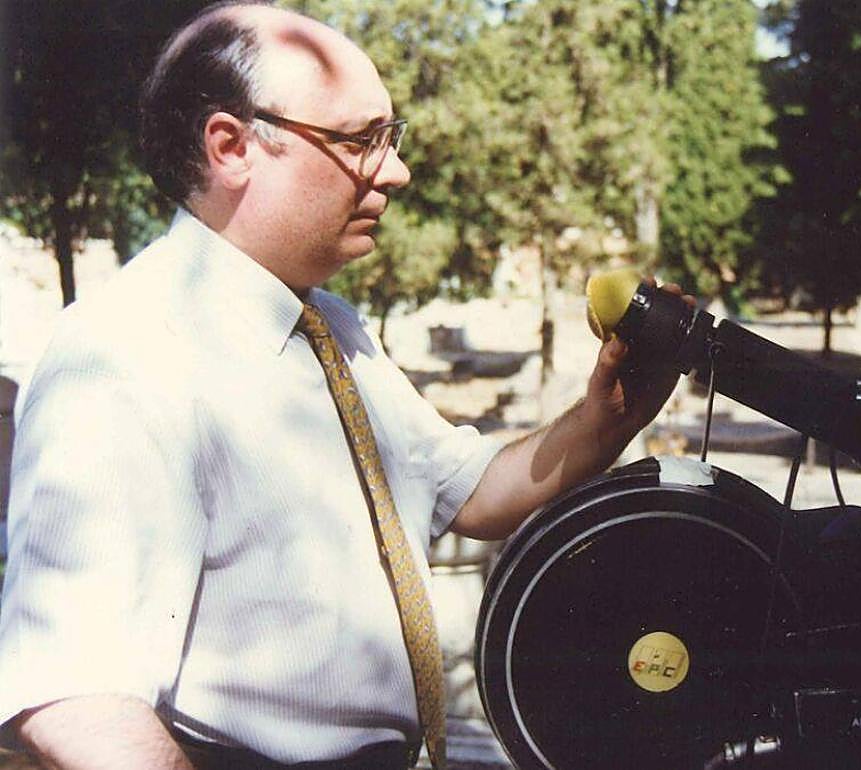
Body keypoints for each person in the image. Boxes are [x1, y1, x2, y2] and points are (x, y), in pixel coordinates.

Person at [0, 2, 686, 768]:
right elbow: (74, 701)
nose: (397, 170)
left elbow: (469, 494)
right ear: (232, 147)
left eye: (390, 139)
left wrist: (609, 416)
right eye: (361, 141)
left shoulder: (330, 326)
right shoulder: (125, 352)